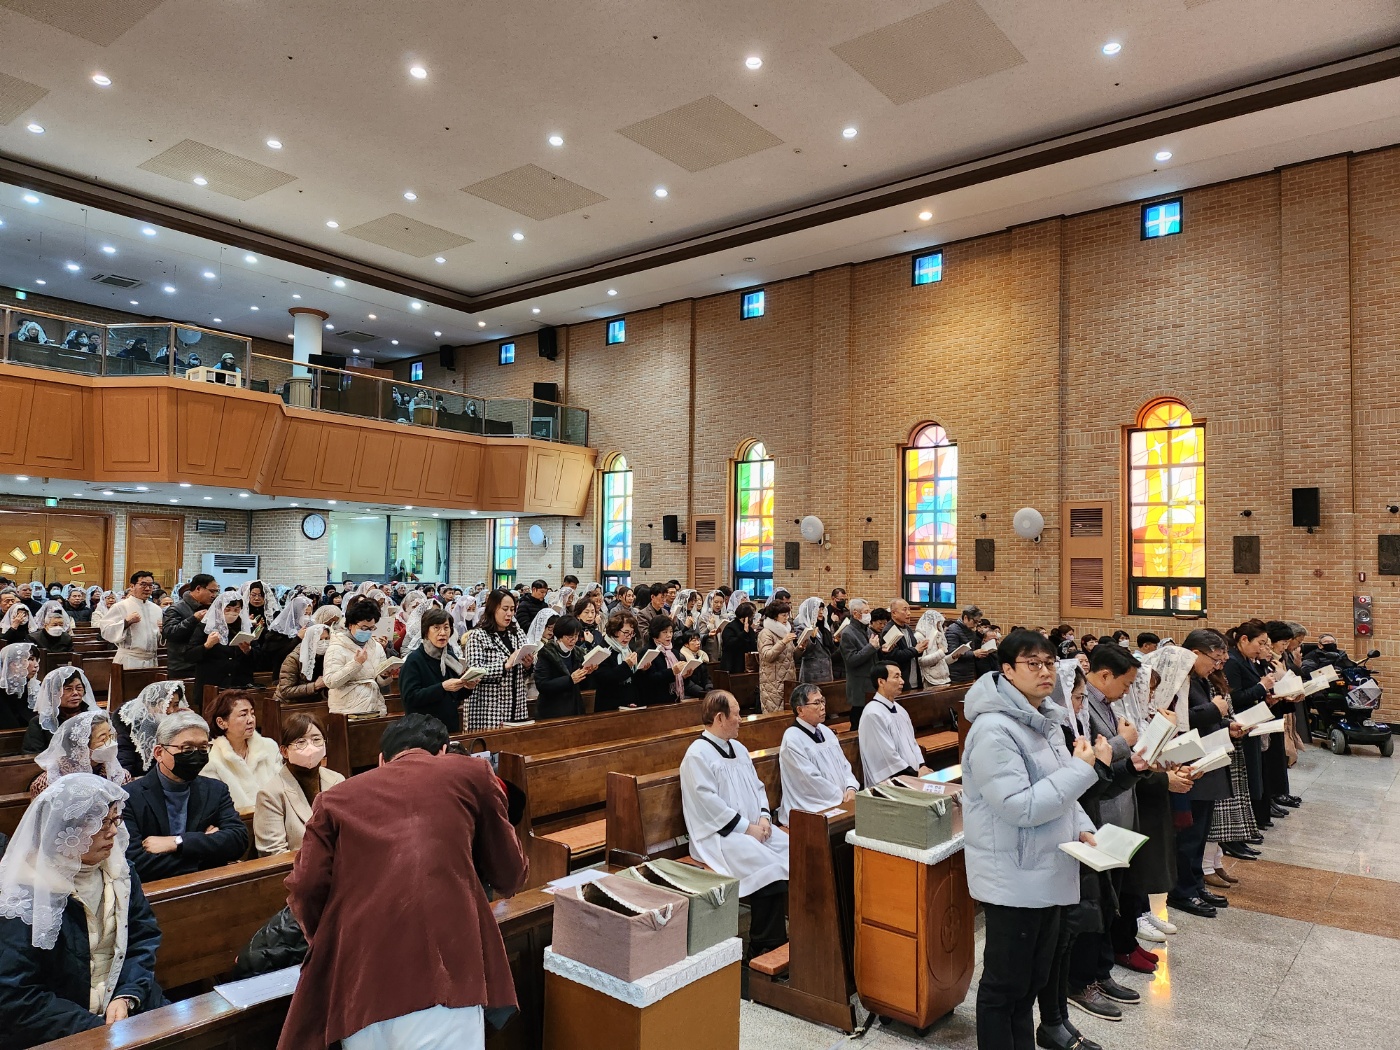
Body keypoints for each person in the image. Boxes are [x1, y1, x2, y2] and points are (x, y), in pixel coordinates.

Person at [276, 714, 527, 1050]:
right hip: (441, 974)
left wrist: (329, 939)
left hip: (356, 982)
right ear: (444, 752)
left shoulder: (335, 797)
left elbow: (305, 887)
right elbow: (509, 874)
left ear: (382, 760)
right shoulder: (471, 772)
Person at [961, 629, 1100, 1050]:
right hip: (1013, 875)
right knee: (1004, 987)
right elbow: (1019, 807)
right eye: (1033, 663)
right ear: (1007, 670)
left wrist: (1082, 825)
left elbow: (1060, 786)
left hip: (1046, 866)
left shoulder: (1044, 718)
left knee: (1030, 984)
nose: (1045, 672)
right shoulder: (993, 730)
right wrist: (1082, 769)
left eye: (1050, 663)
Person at [0, 774, 166, 1047]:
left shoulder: (120, 873)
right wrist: (96, 1029)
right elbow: (15, 993)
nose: (113, 832)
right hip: (62, 1026)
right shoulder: (24, 891)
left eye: (114, 820)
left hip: (127, 1006)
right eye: (101, 823)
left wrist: (127, 995)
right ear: (65, 828)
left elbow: (143, 937)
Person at [680, 691, 790, 959]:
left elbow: (758, 787)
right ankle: (764, 946)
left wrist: (764, 818)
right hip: (719, 836)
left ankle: (794, 931)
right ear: (720, 718)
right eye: (737, 714)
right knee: (769, 867)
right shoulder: (697, 755)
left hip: (754, 827)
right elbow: (708, 805)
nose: (741, 719)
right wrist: (748, 829)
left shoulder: (738, 749)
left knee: (794, 849)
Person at [121, 710, 248, 881]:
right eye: (187, 748)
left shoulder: (216, 790)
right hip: (155, 890)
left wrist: (178, 842)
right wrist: (207, 850)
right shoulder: (129, 797)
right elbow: (137, 863)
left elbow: (238, 841)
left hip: (208, 885)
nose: (196, 754)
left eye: (203, 748)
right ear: (159, 753)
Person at [1167, 629, 1234, 919]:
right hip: (1187, 765)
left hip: (1207, 761)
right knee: (1189, 836)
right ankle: (1182, 890)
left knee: (1201, 832)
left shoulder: (1200, 679)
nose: (1217, 665)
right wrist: (1215, 710)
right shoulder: (1177, 680)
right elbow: (1178, 720)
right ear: (1195, 653)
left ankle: (1196, 885)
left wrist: (1227, 725)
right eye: (1214, 658)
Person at [253, 712, 345, 856]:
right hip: (297, 867)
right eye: (301, 742)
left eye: (316, 740)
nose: (310, 747)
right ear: (284, 751)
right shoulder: (270, 794)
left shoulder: (337, 780)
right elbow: (274, 854)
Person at [778, 684, 858, 824]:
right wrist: (841, 797)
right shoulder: (792, 738)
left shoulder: (825, 731)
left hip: (843, 797)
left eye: (823, 701)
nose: (822, 707)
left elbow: (844, 765)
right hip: (813, 806)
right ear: (800, 710)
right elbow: (809, 780)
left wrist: (851, 788)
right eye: (816, 703)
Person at [199, 690, 283, 814]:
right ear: (221, 723)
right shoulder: (210, 758)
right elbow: (214, 806)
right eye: (243, 715)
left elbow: (283, 789)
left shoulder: (269, 746)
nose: (251, 720)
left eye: (252, 713)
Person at [399, 608, 477, 731]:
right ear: (426, 631)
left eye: (446, 628)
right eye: (436, 628)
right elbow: (410, 698)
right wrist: (442, 687)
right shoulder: (414, 660)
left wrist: (467, 687)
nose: (442, 633)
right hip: (423, 730)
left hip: (448, 727)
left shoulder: (450, 657)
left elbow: (454, 696)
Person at [464, 589, 531, 729]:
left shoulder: (518, 633)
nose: (509, 614)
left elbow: (523, 673)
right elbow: (473, 671)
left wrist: (528, 665)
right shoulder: (478, 635)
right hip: (489, 708)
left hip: (517, 704)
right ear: (493, 609)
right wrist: (504, 665)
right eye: (505, 609)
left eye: (512, 609)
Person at [28, 708, 131, 797]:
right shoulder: (48, 783)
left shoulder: (120, 776)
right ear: (81, 746)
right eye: (103, 738)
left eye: (111, 736)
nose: (111, 743)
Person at [858, 663, 932, 783]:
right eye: (896, 677)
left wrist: (921, 766)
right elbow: (886, 757)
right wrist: (915, 774)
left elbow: (912, 743)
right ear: (881, 682)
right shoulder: (873, 714)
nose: (902, 681)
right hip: (891, 783)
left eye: (901, 676)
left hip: (913, 776)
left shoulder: (900, 709)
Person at [323, 597, 395, 716]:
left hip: (375, 706)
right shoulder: (337, 647)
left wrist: (384, 675)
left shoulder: (376, 646)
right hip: (348, 710)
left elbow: (379, 680)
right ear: (351, 625)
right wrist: (356, 664)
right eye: (363, 628)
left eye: (371, 628)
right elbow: (330, 681)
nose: (367, 632)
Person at [187, 592, 256, 700]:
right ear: (219, 609)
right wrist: (207, 645)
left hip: (239, 685)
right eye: (227, 609)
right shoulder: (205, 627)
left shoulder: (245, 627)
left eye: (236, 609)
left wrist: (248, 650)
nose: (232, 613)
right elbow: (189, 655)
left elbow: (260, 657)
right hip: (212, 685)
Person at [116, 680, 190, 776]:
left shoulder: (178, 725)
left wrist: (190, 723)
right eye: (166, 705)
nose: (171, 710)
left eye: (175, 705)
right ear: (149, 706)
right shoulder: (130, 730)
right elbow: (126, 768)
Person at [21, 666, 99, 754]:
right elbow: (31, 755)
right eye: (68, 689)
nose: (75, 693)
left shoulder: (94, 717)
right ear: (54, 693)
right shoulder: (40, 723)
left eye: (79, 688)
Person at [276, 605, 341, 704]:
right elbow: (285, 690)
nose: (324, 643)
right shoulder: (294, 658)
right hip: (290, 703)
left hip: (314, 702)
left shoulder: (329, 655)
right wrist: (315, 686)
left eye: (326, 639)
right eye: (320, 640)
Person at [533, 615, 593, 719]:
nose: (573, 640)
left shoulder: (578, 653)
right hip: (552, 710)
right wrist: (570, 680)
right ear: (560, 635)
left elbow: (584, 685)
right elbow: (542, 685)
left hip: (574, 707)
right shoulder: (546, 653)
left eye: (576, 636)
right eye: (570, 637)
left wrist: (587, 673)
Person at [100, 572, 162, 670]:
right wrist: (126, 622)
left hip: (151, 660)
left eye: (150, 585)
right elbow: (106, 631)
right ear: (132, 586)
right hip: (129, 659)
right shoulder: (120, 606)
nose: (147, 589)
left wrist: (162, 631)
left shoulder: (157, 609)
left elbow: (157, 636)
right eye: (143, 585)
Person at [162, 573, 219, 678]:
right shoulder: (176, 608)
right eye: (211, 591)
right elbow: (169, 633)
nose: (214, 595)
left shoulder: (211, 608)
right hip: (183, 666)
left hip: (206, 664)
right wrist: (193, 619)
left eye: (216, 591)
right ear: (198, 589)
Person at [838, 599, 880, 728]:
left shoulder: (868, 630)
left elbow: (872, 654)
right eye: (866, 612)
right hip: (859, 685)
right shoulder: (848, 633)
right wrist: (871, 647)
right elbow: (851, 660)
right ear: (856, 614)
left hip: (871, 682)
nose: (869, 615)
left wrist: (882, 650)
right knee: (859, 722)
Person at [756, 601, 804, 713]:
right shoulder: (766, 633)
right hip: (773, 683)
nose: (787, 618)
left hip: (788, 681)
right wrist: (783, 642)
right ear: (775, 616)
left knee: (789, 713)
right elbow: (767, 656)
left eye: (787, 615)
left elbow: (791, 656)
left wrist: (801, 648)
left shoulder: (785, 631)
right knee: (775, 714)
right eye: (783, 615)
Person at [591, 611, 641, 712]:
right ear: (615, 631)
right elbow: (604, 679)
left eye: (632, 633)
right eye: (626, 632)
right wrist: (626, 665)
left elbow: (634, 679)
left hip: (629, 702)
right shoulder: (602, 650)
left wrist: (642, 669)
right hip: (609, 705)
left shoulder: (629, 649)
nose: (629, 637)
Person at [636, 615, 687, 705]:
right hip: (655, 702)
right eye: (665, 632)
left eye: (671, 631)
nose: (669, 635)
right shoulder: (648, 652)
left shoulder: (674, 652)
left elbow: (679, 681)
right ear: (656, 634)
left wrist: (685, 676)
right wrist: (672, 671)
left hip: (674, 699)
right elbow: (649, 680)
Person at [0, 641, 39, 730]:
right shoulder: (2, 692)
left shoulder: (34, 687)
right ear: (13, 663)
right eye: (31, 659)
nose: (36, 665)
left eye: (37, 660)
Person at [944, 604, 983, 683]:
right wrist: (974, 654)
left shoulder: (970, 630)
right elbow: (952, 653)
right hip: (956, 674)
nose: (976, 625)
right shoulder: (953, 630)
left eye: (978, 622)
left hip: (969, 672)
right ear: (965, 618)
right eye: (975, 621)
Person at [916, 608, 952, 687]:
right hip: (930, 679)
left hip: (942, 679)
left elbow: (941, 661)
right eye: (937, 624)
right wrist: (940, 652)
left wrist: (953, 657)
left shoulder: (937, 636)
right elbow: (921, 661)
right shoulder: (920, 636)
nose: (939, 627)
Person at [719, 601, 758, 674]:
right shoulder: (730, 627)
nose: (752, 619)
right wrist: (744, 633)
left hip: (746, 666)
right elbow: (730, 645)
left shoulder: (750, 630)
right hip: (732, 666)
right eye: (751, 617)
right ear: (745, 617)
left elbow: (752, 646)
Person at [675, 628, 714, 697]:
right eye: (694, 640)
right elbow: (686, 682)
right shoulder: (682, 657)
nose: (698, 643)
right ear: (686, 644)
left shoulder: (701, 655)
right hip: (688, 694)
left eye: (698, 640)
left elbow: (706, 677)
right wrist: (701, 692)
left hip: (702, 692)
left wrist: (709, 689)